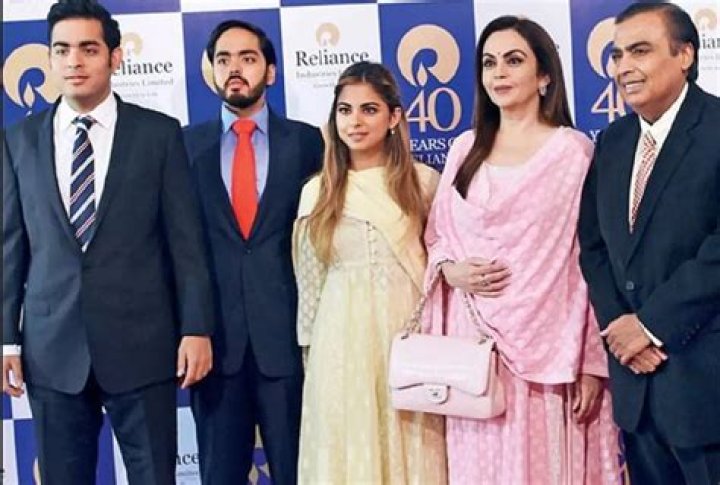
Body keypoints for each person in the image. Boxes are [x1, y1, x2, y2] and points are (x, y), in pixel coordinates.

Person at [1, 0, 214, 483]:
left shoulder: (158, 134)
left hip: (144, 346)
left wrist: (196, 327)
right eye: (61, 50)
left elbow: (186, 243)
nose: (73, 61)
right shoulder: (18, 141)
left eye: (88, 49)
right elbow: (10, 249)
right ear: (50, 58)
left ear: (115, 57)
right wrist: (6, 339)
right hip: (52, 351)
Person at [423, 16, 621, 484]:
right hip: (472, 351)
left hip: (550, 352)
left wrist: (591, 362)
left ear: (544, 75)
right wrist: (450, 270)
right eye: (489, 63)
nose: (499, 73)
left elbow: (588, 259)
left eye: (514, 60)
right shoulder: (464, 148)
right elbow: (437, 236)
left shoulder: (572, 152)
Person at [578, 2, 720, 484]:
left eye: (640, 51)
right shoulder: (613, 141)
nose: (624, 67)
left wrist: (651, 326)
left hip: (705, 384)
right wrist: (620, 327)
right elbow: (593, 246)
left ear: (685, 55)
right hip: (637, 391)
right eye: (617, 55)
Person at [183, 19, 324, 485]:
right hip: (214, 349)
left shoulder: (308, 142)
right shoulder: (183, 146)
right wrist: (190, 328)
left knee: (298, 473)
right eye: (223, 60)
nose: (234, 69)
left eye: (247, 58)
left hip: (288, 344)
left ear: (271, 71)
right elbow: (177, 248)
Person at [292, 61, 446, 484]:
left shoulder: (424, 183)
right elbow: (310, 285)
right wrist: (313, 360)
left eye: (369, 109)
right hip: (340, 344)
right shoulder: (317, 192)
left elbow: (441, 272)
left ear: (394, 117)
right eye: (345, 110)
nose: (355, 122)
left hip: (410, 336)